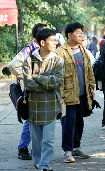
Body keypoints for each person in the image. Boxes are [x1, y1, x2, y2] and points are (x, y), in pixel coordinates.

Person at [23, 28, 64, 171]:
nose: (56, 43)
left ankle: (44, 165)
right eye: (52, 40)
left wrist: (38, 77)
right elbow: (28, 83)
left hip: (52, 106)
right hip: (34, 107)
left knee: (49, 140)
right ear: (42, 42)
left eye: (56, 40)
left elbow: (58, 82)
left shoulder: (58, 60)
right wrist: (47, 86)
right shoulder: (29, 60)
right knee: (36, 140)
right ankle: (38, 161)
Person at [56, 22, 95, 163]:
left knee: (79, 122)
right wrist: (60, 95)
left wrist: (91, 89)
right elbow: (56, 76)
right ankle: (67, 151)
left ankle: (76, 147)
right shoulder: (60, 52)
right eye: (78, 33)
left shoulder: (83, 50)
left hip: (82, 94)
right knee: (68, 123)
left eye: (82, 33)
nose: (81, 35)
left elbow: (89, 71)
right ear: (69, 35)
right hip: (67, 96)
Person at [8, 23, 47, 160]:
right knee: (31, 120)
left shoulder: (44, 49)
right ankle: (23, 148)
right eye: (44, 32)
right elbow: (13, 65)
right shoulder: (29, 49)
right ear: (37, 35)